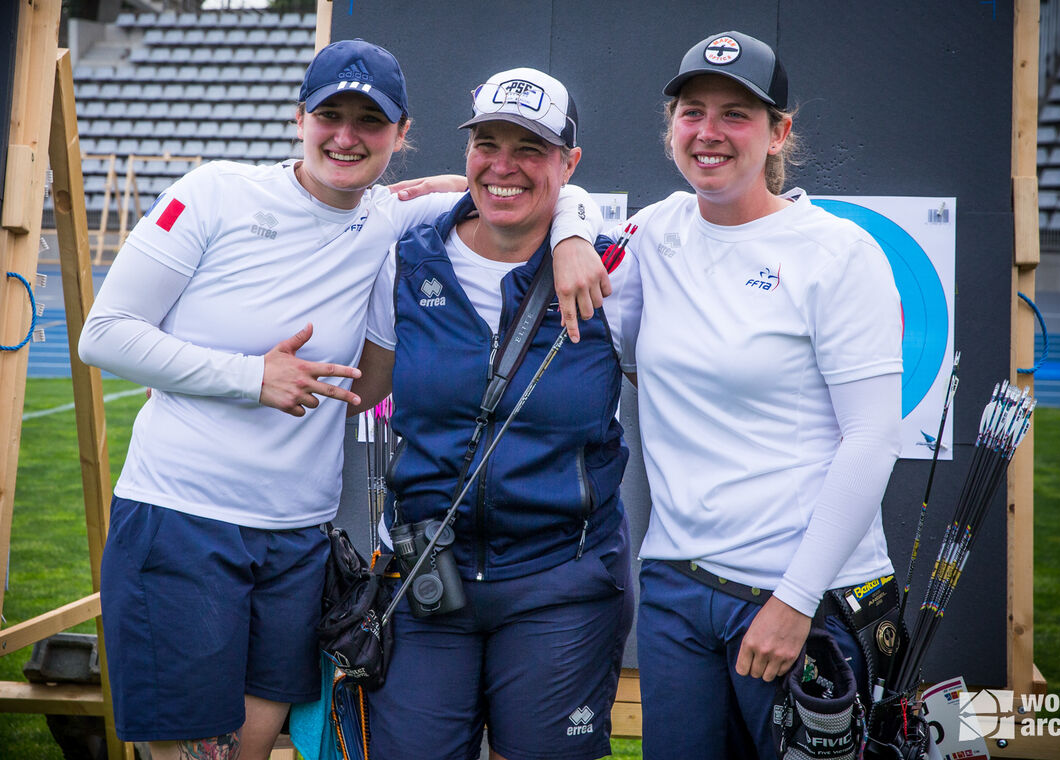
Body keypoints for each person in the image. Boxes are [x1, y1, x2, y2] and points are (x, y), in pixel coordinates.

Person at [77, 40, 607, 760]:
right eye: (330, 115)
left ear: (400, 134)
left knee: (251, 745)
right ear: (300, 118)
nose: (347, 136)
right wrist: (249, 377)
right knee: (189, 751)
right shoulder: (215, 192)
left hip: (299, 535)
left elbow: (536, 187)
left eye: (370, 121)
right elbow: (104, 335)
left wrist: (572, 234)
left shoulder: (391, 218)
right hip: (184, 515)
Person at [609, 31, 904, 759]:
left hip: (801, 597)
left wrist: (795, 600)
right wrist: (452, 192)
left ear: (779, 133)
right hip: (677, 590)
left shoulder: (838, 253)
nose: (708, 132)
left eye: (736, 114)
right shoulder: (655, 231)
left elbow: (872, 439)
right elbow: (547, 211)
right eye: (692, 112)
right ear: (671, 127)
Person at [350, 67, 636, 760]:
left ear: (569, 163)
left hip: (561, 582)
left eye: (529, 149)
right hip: (427, 576)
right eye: (487, 144)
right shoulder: (408, 262)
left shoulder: (612, 274)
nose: (503, 166)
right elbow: (357, 387)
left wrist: (573, 230)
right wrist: (228, 381)